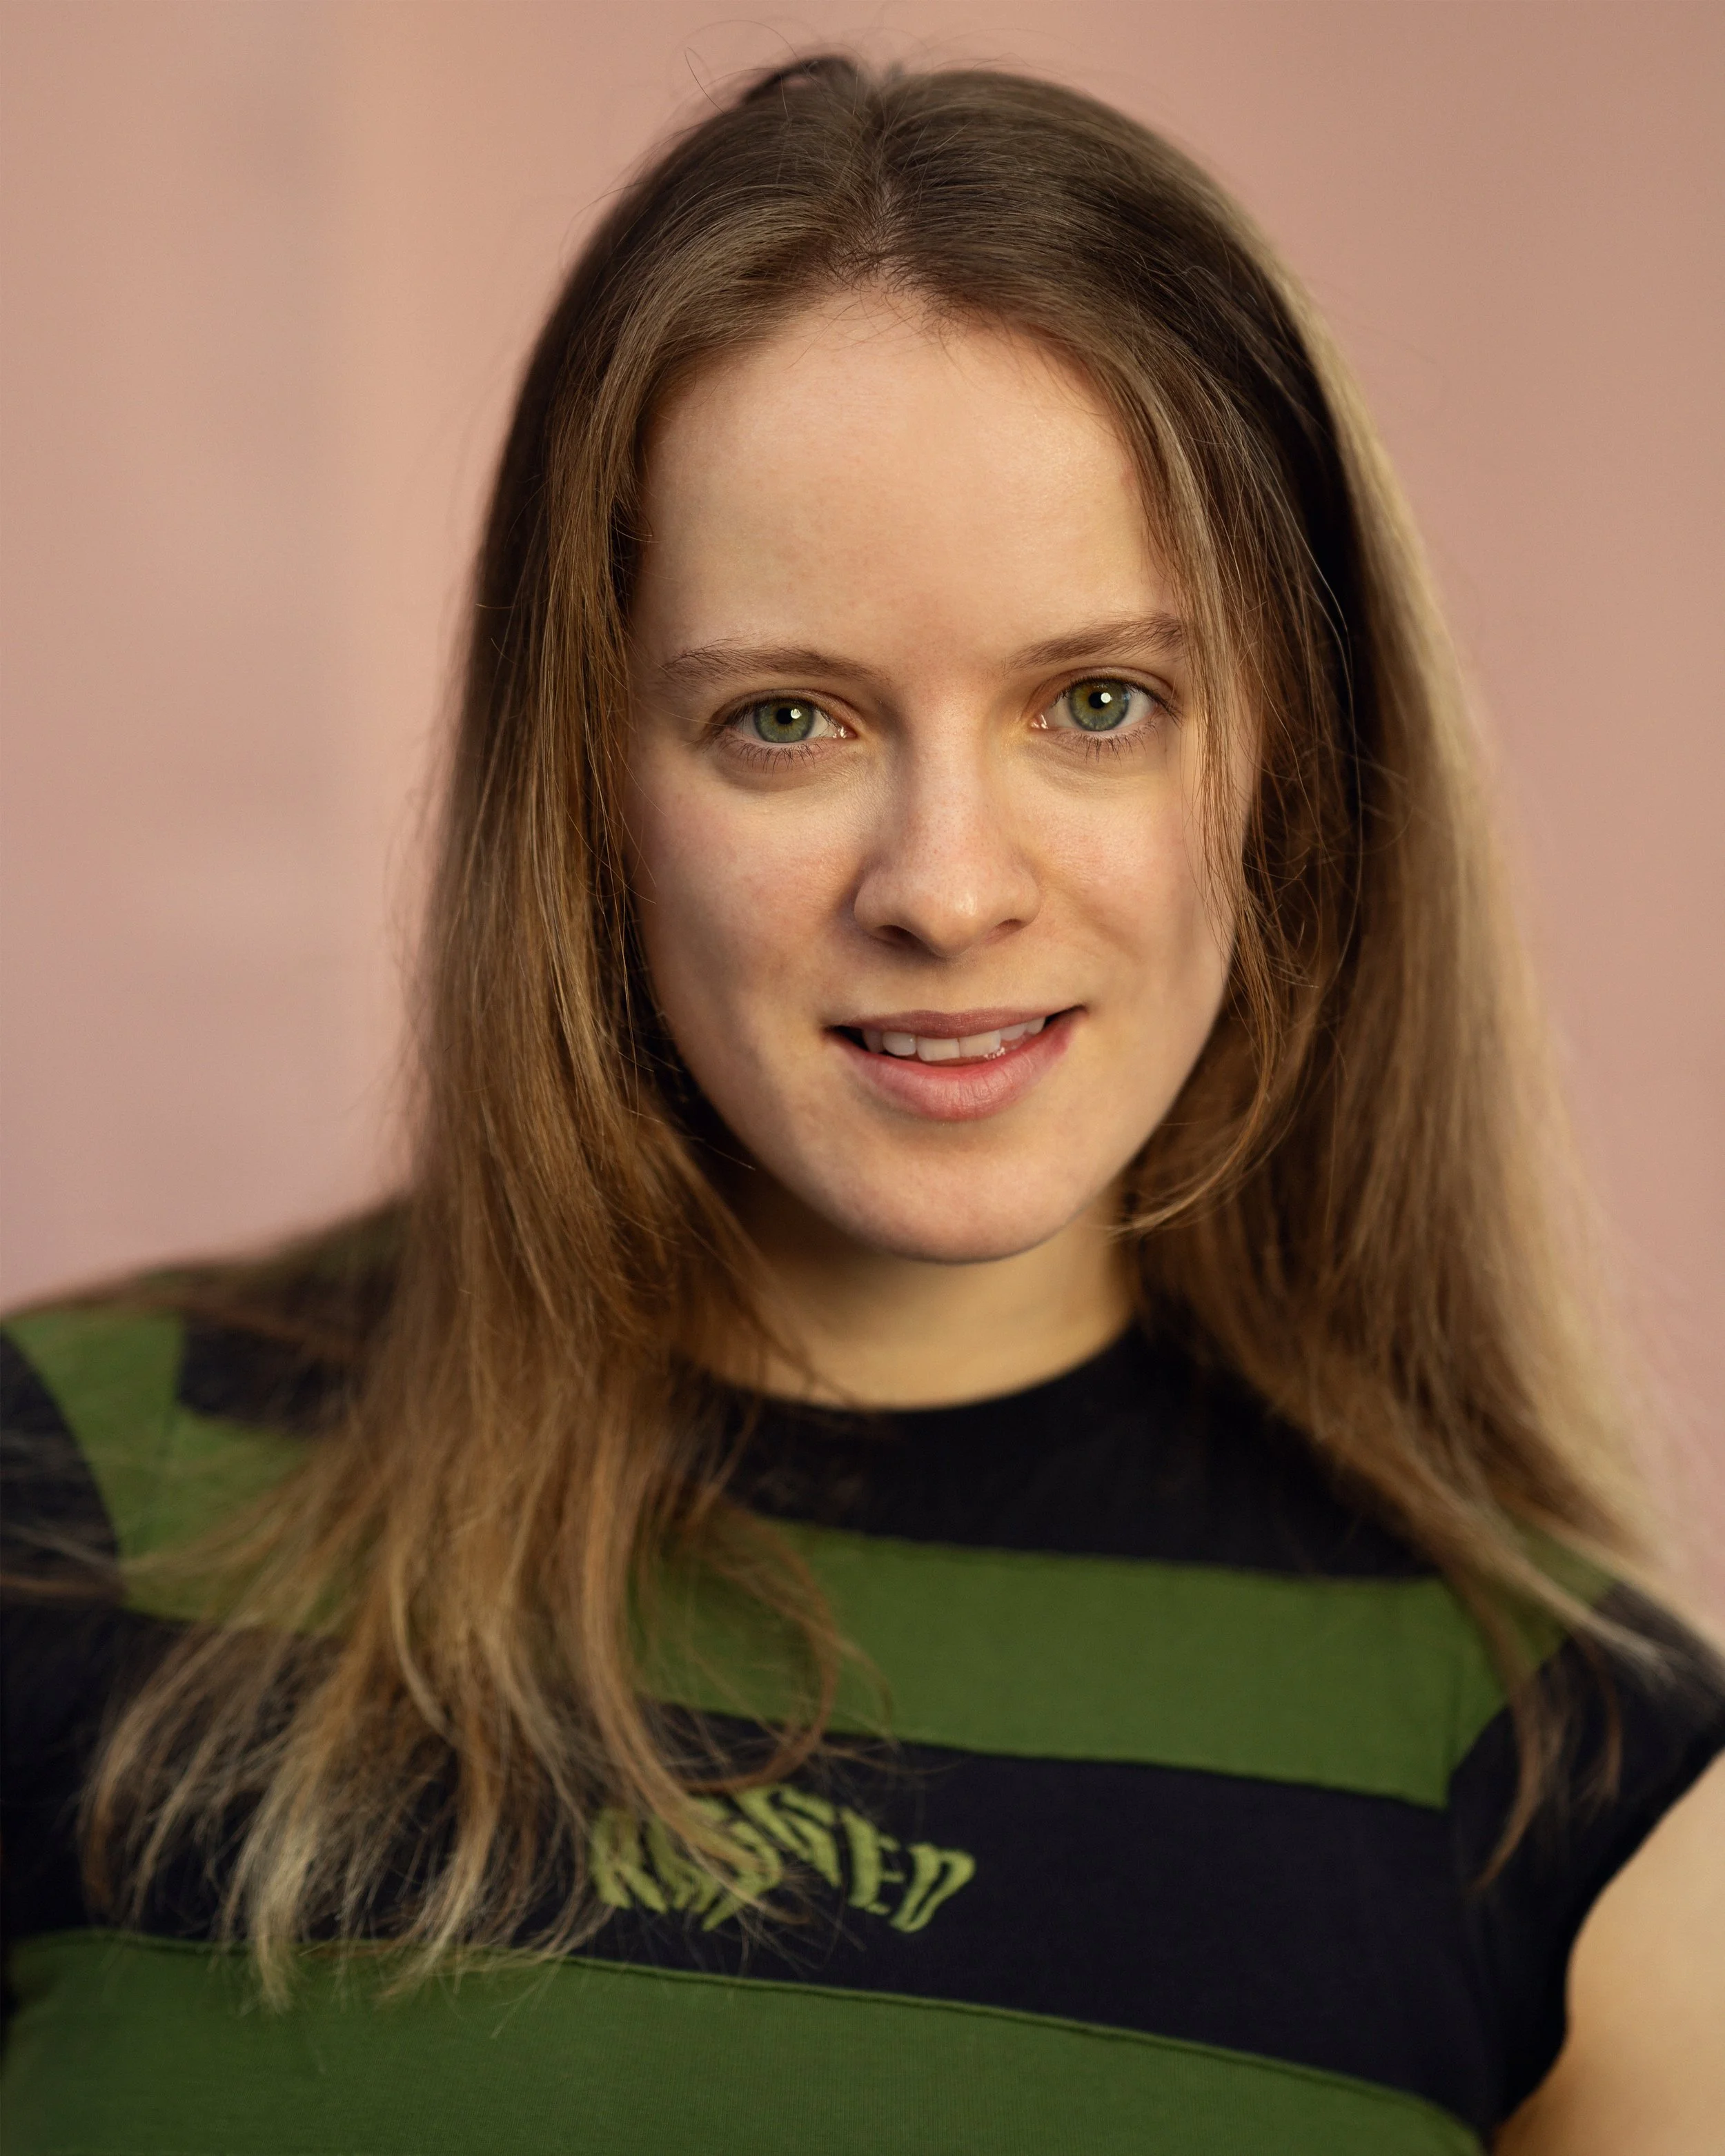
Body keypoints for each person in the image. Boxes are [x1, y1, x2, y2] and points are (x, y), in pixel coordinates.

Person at [2, 55, 1721, 2156]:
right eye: (785, 720)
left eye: (1099, 702)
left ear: (1289, 764)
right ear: (588, 785)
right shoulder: (58, 1500)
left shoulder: (1584, 1779)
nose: (944, 886)